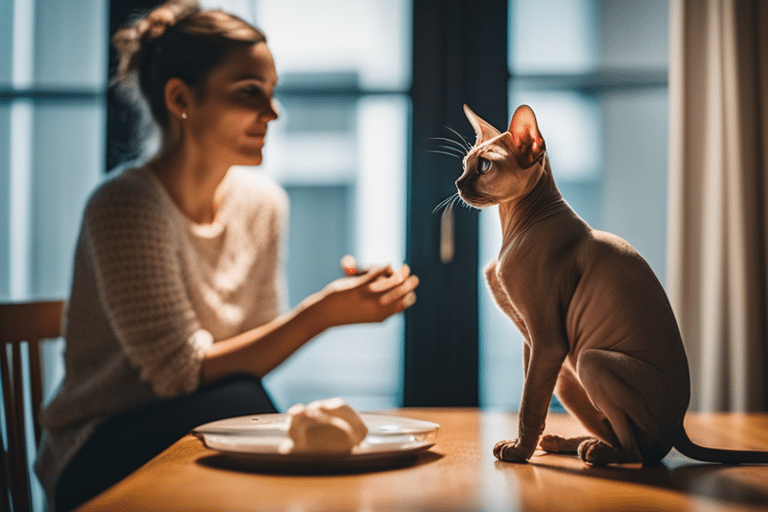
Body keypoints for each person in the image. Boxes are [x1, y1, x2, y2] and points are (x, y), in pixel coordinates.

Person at [34, 2, 419, 510]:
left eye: (272, 92)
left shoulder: (263, 205)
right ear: (180, 98)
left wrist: (343, 304)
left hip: (204, 425)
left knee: (245, 407)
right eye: (248, 93)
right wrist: (321, 315)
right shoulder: (124, 205)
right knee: (246, 409)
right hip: (98, 446)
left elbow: (248, 354)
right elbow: (179, 375)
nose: (273, 112)